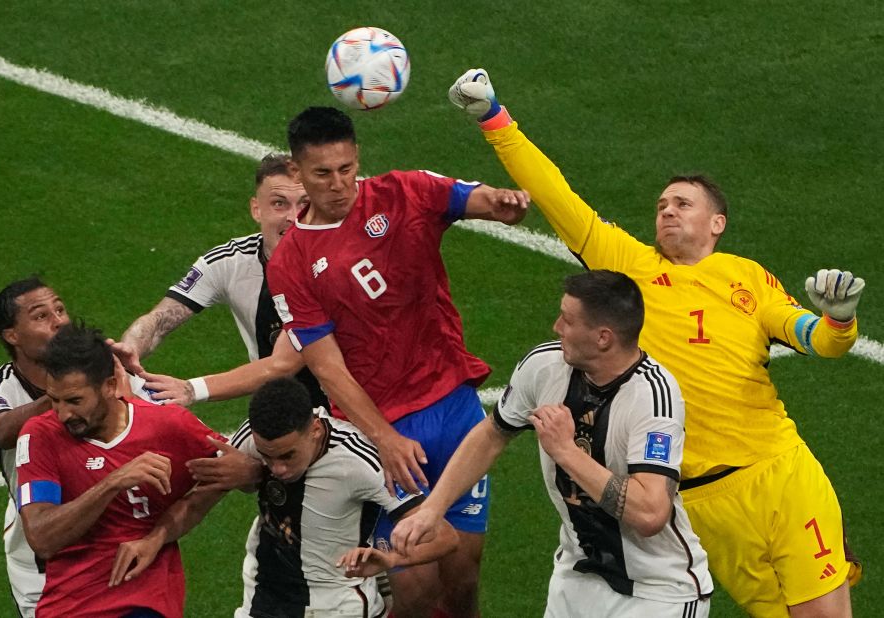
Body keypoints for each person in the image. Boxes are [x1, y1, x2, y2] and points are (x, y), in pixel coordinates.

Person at [446, 68, 866, 617]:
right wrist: (493, 118)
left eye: (683, 204)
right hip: (695, 501)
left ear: (717, 223)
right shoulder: (628, 263)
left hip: (779, 473)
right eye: (663, 204)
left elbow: (817, 341)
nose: (667, 210)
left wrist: (839, 322)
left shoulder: (748, 278)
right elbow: (557, 197)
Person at [265, 106, 529, 617]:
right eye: (322, 173)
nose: (339, 184)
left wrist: (499, 204)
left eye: (346, 168)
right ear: (296, 173)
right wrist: (384, 439)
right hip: (382, 433)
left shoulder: (402, 192)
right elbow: (327, 368)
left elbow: (467, 198)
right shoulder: (291, 263)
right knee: (412, 588)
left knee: (463, 580)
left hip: (452, 406)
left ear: (357, 156)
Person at [393, 270, 713, 617]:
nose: (556, 327)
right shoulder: (544, 366)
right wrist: (431, 509)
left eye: (568, 320)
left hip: (657, 592)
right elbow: (491, 435)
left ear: (603, 338)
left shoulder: (653, 397)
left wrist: (566, 451)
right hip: (576, 578)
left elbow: (650, 513)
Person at [109, 377, 459, 618]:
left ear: (316, 430)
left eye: (287, 456)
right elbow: (200, 499)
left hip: (334, 606)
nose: (275, 468)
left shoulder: (363, 461)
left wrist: (390, 559)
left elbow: (445, 536)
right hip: (264, 594)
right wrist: (153, 540)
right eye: (266, 456)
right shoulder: (252, 439)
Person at [0, 277, 156, 617]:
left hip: (118, 541)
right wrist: (71, 391)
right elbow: (1, 430)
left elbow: (163, 417)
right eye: (41, 316)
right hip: (42, 560)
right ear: (12, 335)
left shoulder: (106, 373)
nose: (59, 320)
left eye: (59, 309)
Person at [15, 324, 224, 617]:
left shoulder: (169, 425)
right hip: (67, 606)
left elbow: (240, 470)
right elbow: (42, 539)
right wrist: (113, 481)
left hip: (143, 601)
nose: (63, 414)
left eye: (75, 401)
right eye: (54, 400)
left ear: (110, 386)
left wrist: (159, 535)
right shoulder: (41, 435)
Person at [115, 153, 325, 409]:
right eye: (279, 204)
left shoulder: (334, 266)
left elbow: (284, 363)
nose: (294, 217)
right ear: (256, 209)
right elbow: (160, 319)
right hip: (278, 416)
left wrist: (192, 389)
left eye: (304, 204)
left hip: (351, 414)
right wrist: (129, 349)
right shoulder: (230, 261)